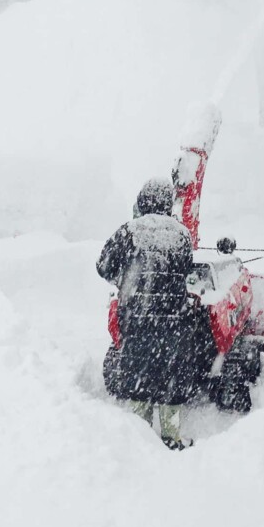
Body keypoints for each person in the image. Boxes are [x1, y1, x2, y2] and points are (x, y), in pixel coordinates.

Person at [97, 177, 213, 450]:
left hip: (138, 321)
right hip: (175, 322)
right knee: (171, 379)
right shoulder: (182, 234)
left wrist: (125, 280)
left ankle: (141, 439)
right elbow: (184, 270)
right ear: (166, 203)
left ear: (142, 201)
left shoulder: (130, 231)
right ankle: (172, 437)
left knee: (140, 378)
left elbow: (103, 266)